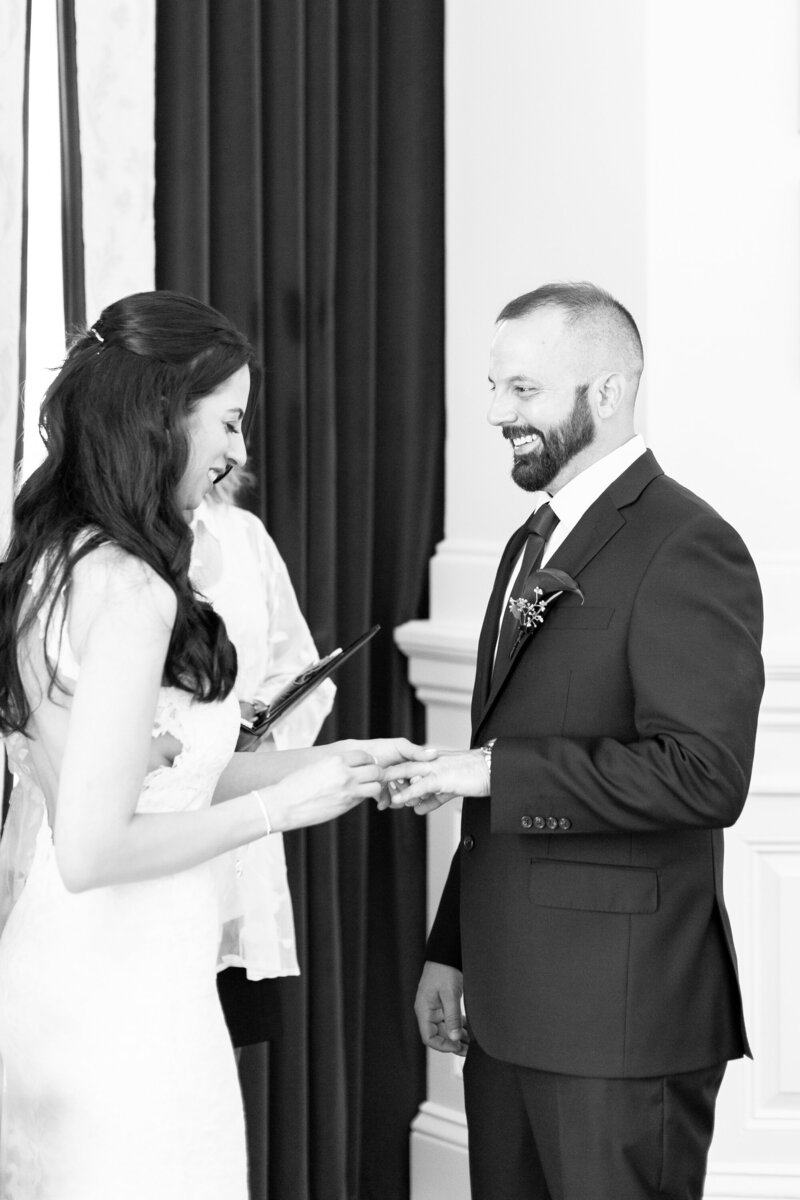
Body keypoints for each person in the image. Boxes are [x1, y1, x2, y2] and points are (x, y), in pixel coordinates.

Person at [0, 290, 432, 1200]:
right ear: (161, 417)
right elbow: (94, 848)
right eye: (229, 421)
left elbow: (166, 777)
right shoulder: (130, 589)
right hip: (125, 1005)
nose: (240, 451)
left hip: (75, 975)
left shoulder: (56, 557)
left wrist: (334, 768)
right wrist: (278, 809)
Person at [385, 282, 764, 1200]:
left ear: (607, 391)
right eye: (493, 388)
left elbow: (703, 775)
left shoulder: (688, 545)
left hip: (621, 1024)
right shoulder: (529, 540)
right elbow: (508, 747)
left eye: (522, 391)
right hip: (509, 1015)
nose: (494, 414)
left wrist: (490, 770)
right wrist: (454, 947)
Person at [190, 468, 336, 1043]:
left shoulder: (245, 535)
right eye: (228, 422)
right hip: (147, 847)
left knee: (224, 1067)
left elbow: (303, 668)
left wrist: (261, 730)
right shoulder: (108, 549)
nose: (240, 450)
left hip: (240, 862)